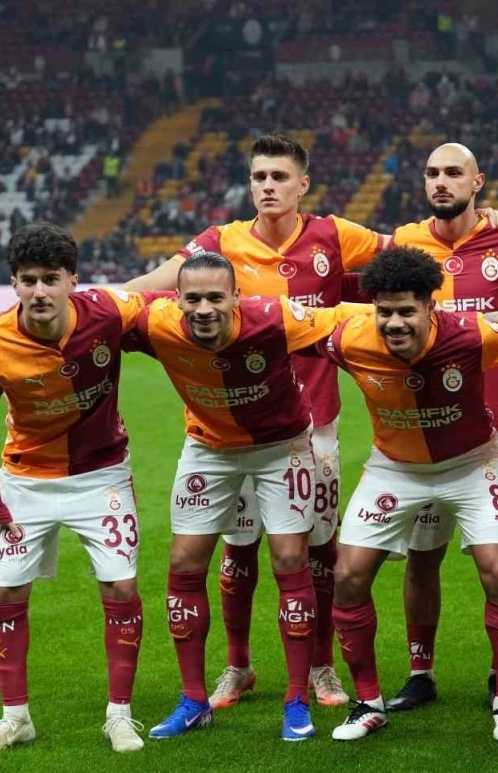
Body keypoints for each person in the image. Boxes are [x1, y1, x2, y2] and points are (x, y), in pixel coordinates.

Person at [126, 134, 384, 712]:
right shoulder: (220, 242)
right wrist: (97, 302)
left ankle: (320, 667)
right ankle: (237, 666)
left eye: (279, 177)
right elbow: (161, 280)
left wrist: (478, 228)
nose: (268, 186)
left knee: (317, 549)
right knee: (238, 547)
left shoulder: (335, 234)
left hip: (311, 427)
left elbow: (408, 249)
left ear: (302, 185)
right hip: (229, 425)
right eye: (259, 177)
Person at [125, 252, 358, 742]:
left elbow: (346, 318)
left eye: (215, 297)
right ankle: (194, 701)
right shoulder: (156, 321)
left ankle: (296, 700)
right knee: (185, 562)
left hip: (281, 447)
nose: (203, 309)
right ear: (176, 299)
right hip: (208, 448)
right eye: (193, 299)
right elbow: (94, 311)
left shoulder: (276, 318)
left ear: (236, 296)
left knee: (290, 558)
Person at [320, 246, 498, 743]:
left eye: (406, 311)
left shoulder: (474, 335)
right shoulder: (347, 338)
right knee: (348, 575)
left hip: (471, 463)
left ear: (431, 307)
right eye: (384, 312)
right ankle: (368, 703)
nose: (394, 323)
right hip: (394, 468)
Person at [382, 143, 498, 713]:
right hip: (426, 429)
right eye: (432, 172)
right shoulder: (406, 240)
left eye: (453, 173)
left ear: (477, 182)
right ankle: (420, 672)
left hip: (496, 429)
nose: (441, 181)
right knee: (423, 556)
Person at [0, 222, 146, 755]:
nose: (39, 291)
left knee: (121, 587)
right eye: (28, 280)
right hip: (25, 481)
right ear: (14, 285)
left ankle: (120, 717)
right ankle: (15, 719)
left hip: (102, 474)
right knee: (6, 592)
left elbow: (165, 308)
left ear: (72, 280)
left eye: (50, 279)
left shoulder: (107, 313)